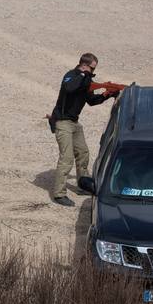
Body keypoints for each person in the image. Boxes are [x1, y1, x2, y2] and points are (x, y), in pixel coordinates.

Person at [48, 52, 114, 207]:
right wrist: (84, 75)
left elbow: (91, 101)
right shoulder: (71, 76)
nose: (93, 72)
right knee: (67, 158)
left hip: (74, 123)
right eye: (92, 68)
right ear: (84, 65)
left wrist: (106, 94)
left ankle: (82, 185)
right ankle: (59, 194)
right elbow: (69, 88)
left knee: (83, 153)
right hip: (62, 122)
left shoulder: (85, 79)